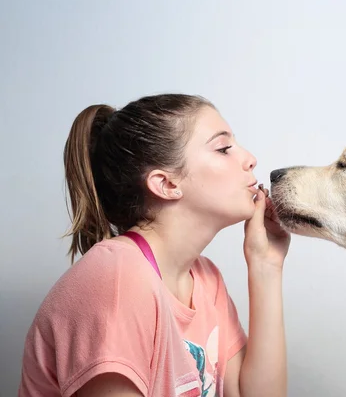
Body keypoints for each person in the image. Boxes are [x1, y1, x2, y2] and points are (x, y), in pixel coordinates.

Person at [18, 94, 290, 397]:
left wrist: (266, 264)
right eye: (224, 148)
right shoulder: (116, 281)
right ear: (167, 184)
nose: (250, 158)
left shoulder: (205, 279)